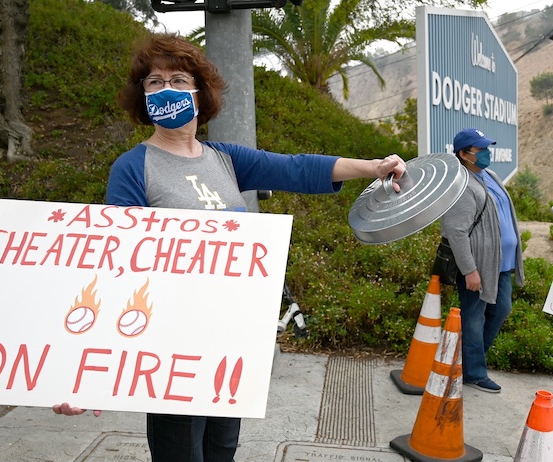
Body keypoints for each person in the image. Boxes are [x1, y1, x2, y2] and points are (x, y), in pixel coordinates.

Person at [53, 33, 406, 461]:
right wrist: (82, 372)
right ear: (142, 98)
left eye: (179, 80)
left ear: (199, 95)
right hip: (171, 345)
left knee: (222, 450)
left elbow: (296, 169)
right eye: (154, 83)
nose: (166, 90)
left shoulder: (224, 158)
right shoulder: (132, 168)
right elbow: (112, 266)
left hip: (232, 338)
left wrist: (374, 166)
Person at [439, 128, 524, 393]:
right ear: (464, 154)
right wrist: (470, 271)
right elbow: (456, 231)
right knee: (474, 317)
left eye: (487, 148)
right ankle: (474, 372)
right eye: (481, 149)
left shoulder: (491, 176)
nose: (487, 153)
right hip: (478, 265)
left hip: (502, 263)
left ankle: (466, 360)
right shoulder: (462, 185)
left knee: (501, 309)